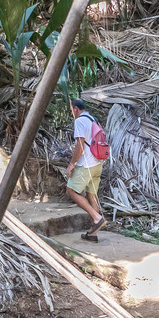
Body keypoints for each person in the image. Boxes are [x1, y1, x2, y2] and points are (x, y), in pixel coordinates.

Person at [65, 98, 108, 242]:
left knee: (71, 191)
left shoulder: (79, 121)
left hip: (86, 164)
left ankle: (97, 218)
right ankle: (92, 233)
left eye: (71, 109)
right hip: (98, 163)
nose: (72, 112)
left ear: (75, 108)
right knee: (91, 195)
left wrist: (72, 164)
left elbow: (80, 145)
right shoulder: (93, 119)